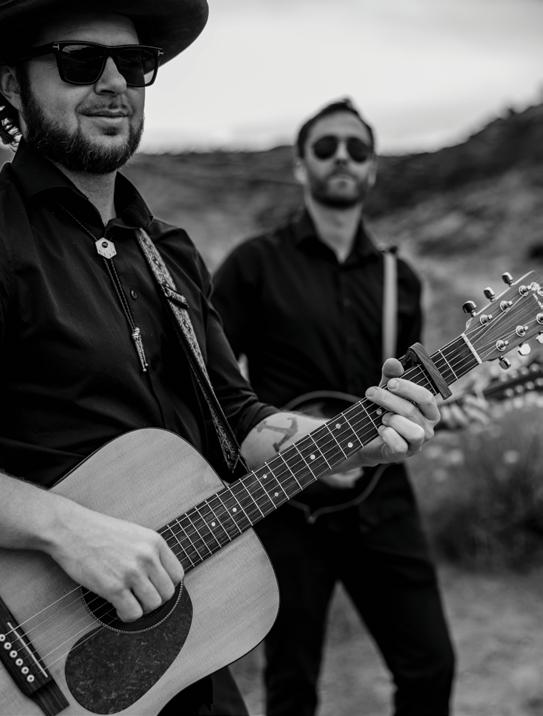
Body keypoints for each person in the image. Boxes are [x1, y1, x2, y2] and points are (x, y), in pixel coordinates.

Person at [0, 7, 442, 716]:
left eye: (134, 63)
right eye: (79, 60)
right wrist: (67, 530)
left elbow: (236, 419)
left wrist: (360, 436)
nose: (113, 82)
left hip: (174, 643)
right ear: (12, 84)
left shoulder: (167, 253)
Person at [213, 98, 463, 716]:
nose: (343, 158)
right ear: (301, 166)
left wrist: (432, 413)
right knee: (292, 685)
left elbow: (409, 388)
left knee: (431, 666)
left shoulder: (399, 279)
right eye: (326, 147)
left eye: (357, 148)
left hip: (383, 500)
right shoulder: (254, 264)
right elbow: (212, 384)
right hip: (288, 503)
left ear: (373, 167)